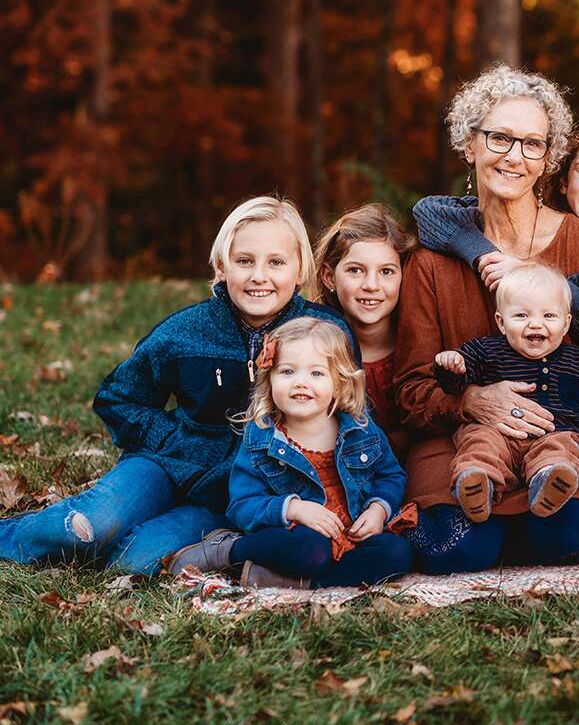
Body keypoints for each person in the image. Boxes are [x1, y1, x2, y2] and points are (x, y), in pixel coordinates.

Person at [0, 196, 352, 574]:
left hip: (229, 497)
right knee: (88, 527)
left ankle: (120, 544)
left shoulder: (323, 333)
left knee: (133, 562)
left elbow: (351, 415)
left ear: (300, 270)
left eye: (276, 263)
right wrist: (173, 441)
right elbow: (118, 398)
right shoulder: (184, 332)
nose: (259, 276)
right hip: (163, 467)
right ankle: (22, 535)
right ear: (222, 266)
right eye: (244, 261)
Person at [395, 65, 579, 573]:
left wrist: (555, 414)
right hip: (461, 445)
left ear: (548, 159)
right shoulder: (431, 260)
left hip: (557, 443)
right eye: (500, 138)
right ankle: (481, 531)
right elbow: (412, 387)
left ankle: (509, 525)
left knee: (572, 534)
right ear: (469, 144)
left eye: (532, 144)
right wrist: (471, 401)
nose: (514, 156)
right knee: (461, 549)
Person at [171, 318, 415, 588]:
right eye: (288, 372)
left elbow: (390, 475)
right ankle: (230, 550)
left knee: (398, 553)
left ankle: (300, 582)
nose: (301, 383)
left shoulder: (360, 429)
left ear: (340, 383)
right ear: (270, 379)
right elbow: (242, 506)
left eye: (317, 374)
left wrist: (379, 509)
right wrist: (294, 509)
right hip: (297, 538)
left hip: (352, 534)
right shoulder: (262, 440)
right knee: (310, 550)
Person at [413, 117, 579, 352]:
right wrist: (484, 254)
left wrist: (527, 273)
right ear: (564, 182)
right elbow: (428, 211)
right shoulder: (541, 222)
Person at [433, 263, 579, 522]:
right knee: (479, 440)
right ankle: (478, 483)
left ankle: (549, 480)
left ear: (566, 324)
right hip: (498, 432)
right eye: (521, 316)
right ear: (501, 322)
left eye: (549, 316)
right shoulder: (487, 351)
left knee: (564, 445)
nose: (536, 325)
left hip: (552, 434)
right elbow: (457, 385)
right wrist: (452, 366)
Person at [312, 204, 417, 445]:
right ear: (329, 277)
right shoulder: (315, 349)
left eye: (387, 271)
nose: (371, 284)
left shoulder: (419, 347)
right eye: (355, 270)